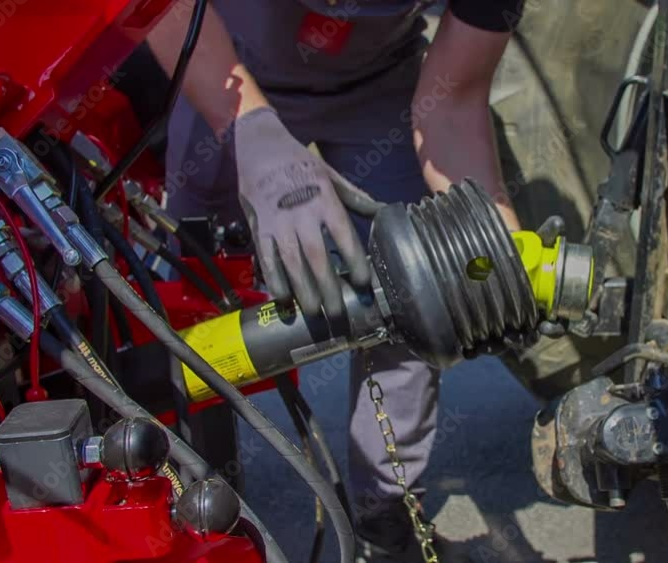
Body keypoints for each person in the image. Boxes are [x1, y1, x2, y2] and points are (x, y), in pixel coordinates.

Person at [146, 0, 524, 560]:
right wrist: (248, 126)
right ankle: (185, 495)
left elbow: (456, 99)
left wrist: (487, 248)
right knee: (194, 285)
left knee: (418, 286)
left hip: (378, 89)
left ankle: (386, 512)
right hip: (222, 61)